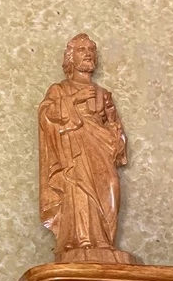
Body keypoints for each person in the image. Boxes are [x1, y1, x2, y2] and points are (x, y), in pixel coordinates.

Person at [38, 33, 136, 264]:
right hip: (74, 150)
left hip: (100, 148)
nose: (88, 54)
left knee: (110, 185)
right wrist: (74, 99)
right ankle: (82, 240)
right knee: (79, 188)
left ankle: (104, 241)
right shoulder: (60, 89)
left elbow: (114, 128)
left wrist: (113, 129)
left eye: (91, 50)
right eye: (82, 50)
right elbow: (46, 115)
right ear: (70, 58)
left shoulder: (103, 93)